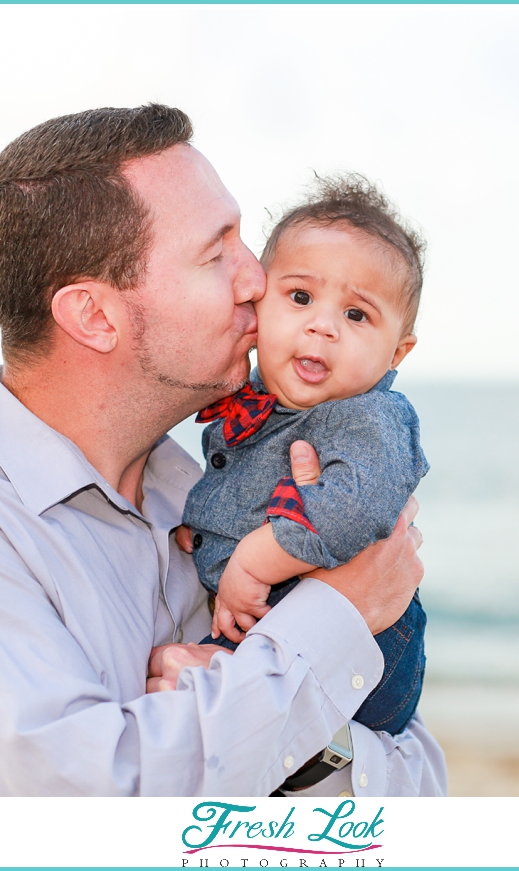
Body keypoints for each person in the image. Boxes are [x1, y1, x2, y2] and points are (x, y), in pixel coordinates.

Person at [0, 104, 446, 796]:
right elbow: (104, 807)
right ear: (95, 316)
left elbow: (418, 781)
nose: (256, 281)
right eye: (217, 253)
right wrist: (333, 614)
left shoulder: (203, 497)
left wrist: (253, 705)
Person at [181, 174, 429, 737]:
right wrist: (203, 528)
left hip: (371, 656)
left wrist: (250, 559)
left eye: (357, 315)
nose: (322, 325)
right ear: (258, 304)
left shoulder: (368, 418)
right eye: (300, 298)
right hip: (279, 629)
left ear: (398, 350)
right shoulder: (255, 408)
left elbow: (351, 510)